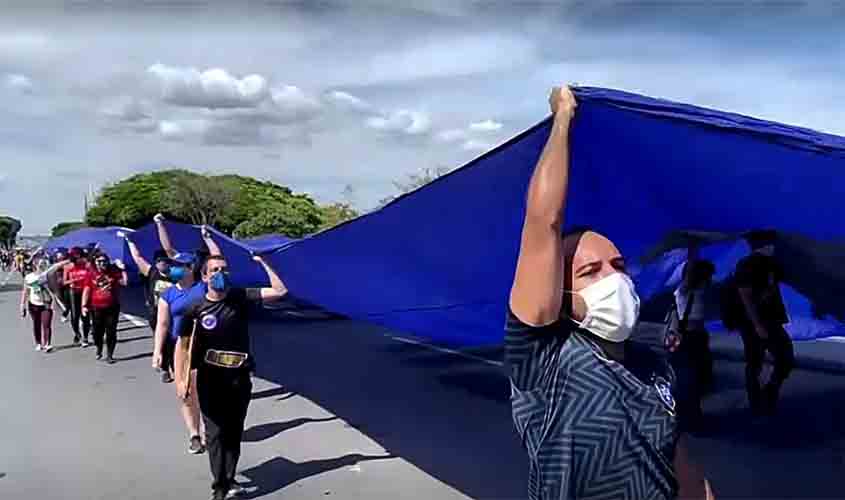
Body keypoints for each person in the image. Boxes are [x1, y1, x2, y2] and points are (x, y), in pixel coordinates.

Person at [506, 86, 713, 500]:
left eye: (618, 266)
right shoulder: (543, 356)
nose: (613, 279)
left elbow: (678, 460)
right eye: (590, 271)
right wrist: (563, 119)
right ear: (559, 292)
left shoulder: (654, 367)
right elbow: (544, 221)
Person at [175, 253, 287, 500]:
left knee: (234, 431)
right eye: (213, 270)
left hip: (239, 379)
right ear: (204, 276)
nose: (219, 274)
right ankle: (220, 485)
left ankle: (230, 477)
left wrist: (265, 263)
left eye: (223, 269)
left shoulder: (239, 297)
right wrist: (182, 381)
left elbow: (280, 291)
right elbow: (183, 346)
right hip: (209, 380)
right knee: (215, 433)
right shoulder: (193, 310)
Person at [735, 230, 794, 415]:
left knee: (784, 357)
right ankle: (757, 402)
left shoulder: (770, 263)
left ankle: (768, 393)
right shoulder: (747, 265)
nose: (772, 246)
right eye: (770, 242)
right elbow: (745, 295)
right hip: (755, 323)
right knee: (755, 362)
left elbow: (778, 280)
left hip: (771, 320)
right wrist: (757, 324)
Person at [666, 254, 716, 430]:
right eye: (707, 276)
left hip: (698, 337)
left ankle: (691, 416)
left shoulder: (699, 291)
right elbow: (690, 273)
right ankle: (689, 419)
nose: (710, 279)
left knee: (699, 378)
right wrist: (693, 249)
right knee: (689, 380)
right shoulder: (684, 290)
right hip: (687, 338)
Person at [81, 253, 128, 363]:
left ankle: (110, 355)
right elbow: (87, 290)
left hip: (112, 306)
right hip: (96, 307)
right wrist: (84, 306)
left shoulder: (113, 272)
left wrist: (123, 270)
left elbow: (124, 282)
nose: (102, 263)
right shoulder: (91, 274)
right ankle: (99, 347)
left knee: (111, 331)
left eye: (104, 261)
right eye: (99, 261)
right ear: (95, 262)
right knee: (97, 332)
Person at [20, 257, 69, 352]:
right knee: (36, 324)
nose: (41, 266)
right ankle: (38, 343)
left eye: (43, 264)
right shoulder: (29, 277)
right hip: (33, 304)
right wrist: (22, 305)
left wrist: (69, 260)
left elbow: (57, 265)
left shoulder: (48, 275)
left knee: (46, 324)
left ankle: (47, 344)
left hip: (46, 303)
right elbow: (25, 292)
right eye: (39, 264)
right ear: (35, 265)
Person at [64, 247, 92, 347]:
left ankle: (85, 337)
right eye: (75, 256)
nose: (77, 258)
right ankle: (77, 333)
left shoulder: (87, 265)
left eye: (79, 256)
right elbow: (64, 282)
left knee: (85, 315)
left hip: (85, 291)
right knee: (75, 316)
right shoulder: (68, 267)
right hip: (73, 292)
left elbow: (92, 276)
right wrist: (73, 281)